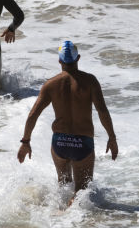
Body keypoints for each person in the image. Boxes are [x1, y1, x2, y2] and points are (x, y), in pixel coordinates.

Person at [17, 41, 118, 202]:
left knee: (63, 188)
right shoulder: (90, 81)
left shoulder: (50, 84)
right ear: (78, 58)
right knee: (81, 194)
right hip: (82, 143)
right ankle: (71, 222)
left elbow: (33, 115)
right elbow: (102, 111)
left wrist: (25, 141)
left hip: (60, 143)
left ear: (59, 61)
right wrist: (112, 138)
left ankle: (59, 222)